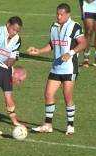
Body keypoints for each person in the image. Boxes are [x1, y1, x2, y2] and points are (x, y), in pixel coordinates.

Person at [27, 3, 86, 135]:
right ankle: (48, 124)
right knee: (48, 95)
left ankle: (70, 126)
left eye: (61, 14)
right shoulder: (54, 26)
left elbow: (83, 43)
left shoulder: (74, 27)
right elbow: (51, 45)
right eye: (57, 14)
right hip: (56, 68)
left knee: (67, 96)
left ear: (68, 14)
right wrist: (39, 51)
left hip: (69, 68)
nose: (59, 17)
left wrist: (70, 53)